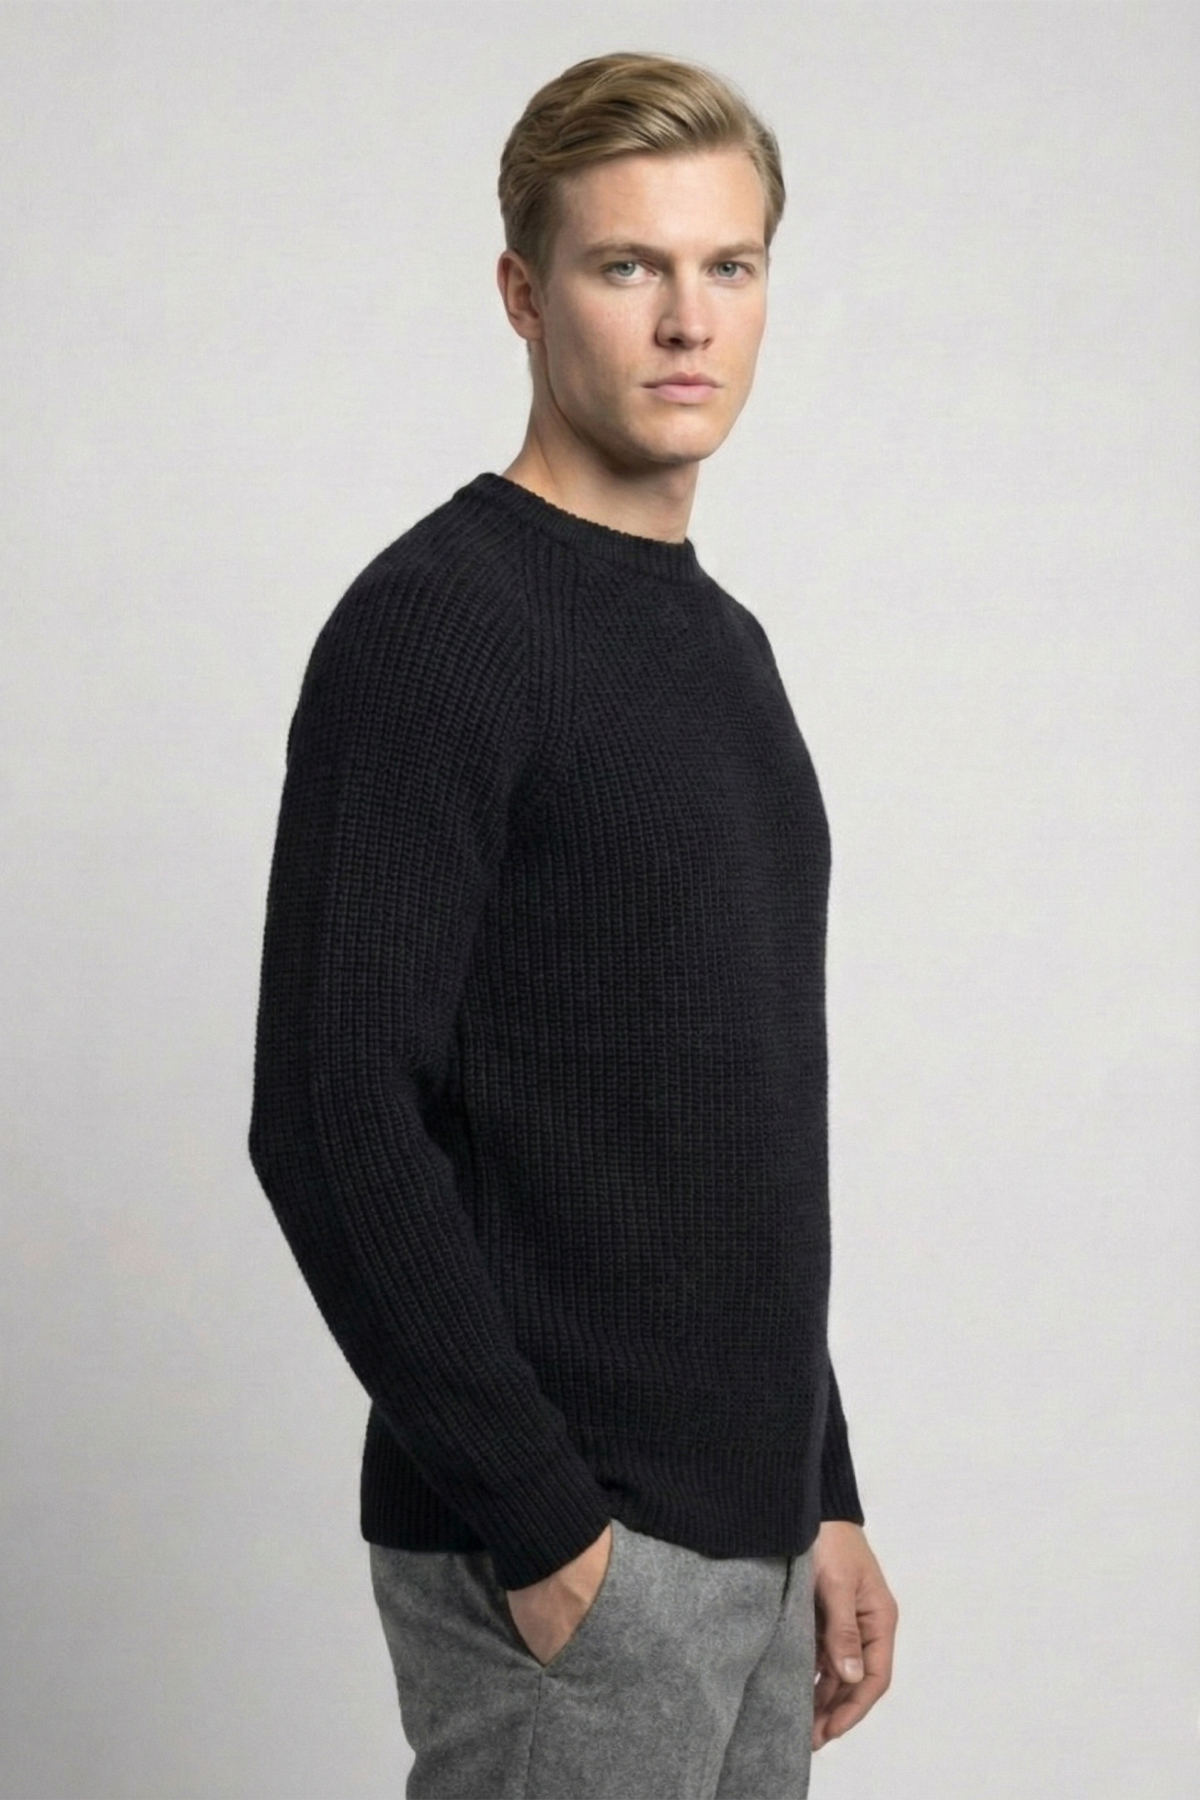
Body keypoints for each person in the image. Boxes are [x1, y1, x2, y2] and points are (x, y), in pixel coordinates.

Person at [249, 48, 898, 1799]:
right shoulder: (436, 626)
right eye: (629, 267)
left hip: (754, 1549)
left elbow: (730, 1123)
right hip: (572, 1553)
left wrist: (822, 1485)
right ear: (525, 295)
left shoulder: (726, 652)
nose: (689, 320)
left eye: (729, 266)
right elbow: (327, 1112)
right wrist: (543, 1528)